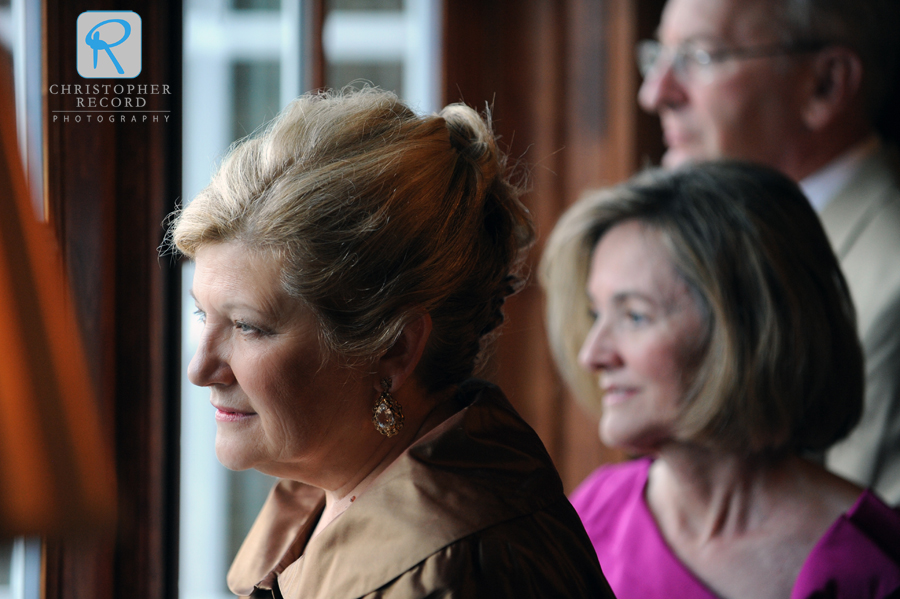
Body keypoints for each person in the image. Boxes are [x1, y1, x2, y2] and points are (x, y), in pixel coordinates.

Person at [167, 87, 614, 599]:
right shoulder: (327, 496)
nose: (200, 368)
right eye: (204, 314)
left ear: (395, 349)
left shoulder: (451, 574)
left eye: (248, 326)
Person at [540, 162, 900, 598]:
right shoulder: (594, 511)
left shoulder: (864, 562)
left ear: (745, 331)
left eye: (635, 316)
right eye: (597, 315)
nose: (591, 355)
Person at [636, 0, 900, 504]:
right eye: (657, 56)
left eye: (699, 57)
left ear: (825, 85)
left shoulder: (889, 284)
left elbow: (864, 558)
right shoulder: (724, 245)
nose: (655, 93)